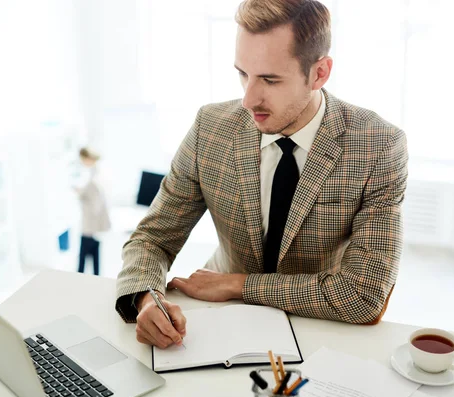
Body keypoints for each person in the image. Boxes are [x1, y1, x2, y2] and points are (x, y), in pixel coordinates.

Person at [116, 0, 408, 349]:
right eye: (243, 74)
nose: (248, 99)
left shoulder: (379, 145)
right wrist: (146, 299)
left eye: (269, 79)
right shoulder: (210, 128)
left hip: (317, 324)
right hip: (218, 319)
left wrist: (239, 284)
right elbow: (152, 239)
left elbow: (364, 294)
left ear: (320, 73)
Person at [75, 147, 111, 275]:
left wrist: (81, 195)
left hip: (91, 223)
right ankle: (91, 275)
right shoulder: (95, 173)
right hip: (92, 224)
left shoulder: (95, 178)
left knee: (84, 253)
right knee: (91, 251)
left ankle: (80, 276)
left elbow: (94, 204)